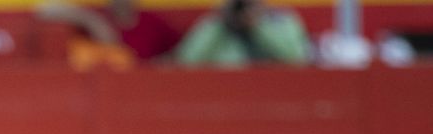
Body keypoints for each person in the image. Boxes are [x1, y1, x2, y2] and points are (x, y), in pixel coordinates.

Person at [35, 0, 182, 67]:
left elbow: (181, 54)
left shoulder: (152, 22)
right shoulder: (100, 16)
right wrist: (93, 21)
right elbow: (45, 9)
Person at [174, 0, 311, 65]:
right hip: (225, 89)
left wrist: (257, 25)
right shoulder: (215, 23)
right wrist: (222, 21)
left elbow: (296, 58)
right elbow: (188, 60)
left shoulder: (281, 19)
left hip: (274, 88)